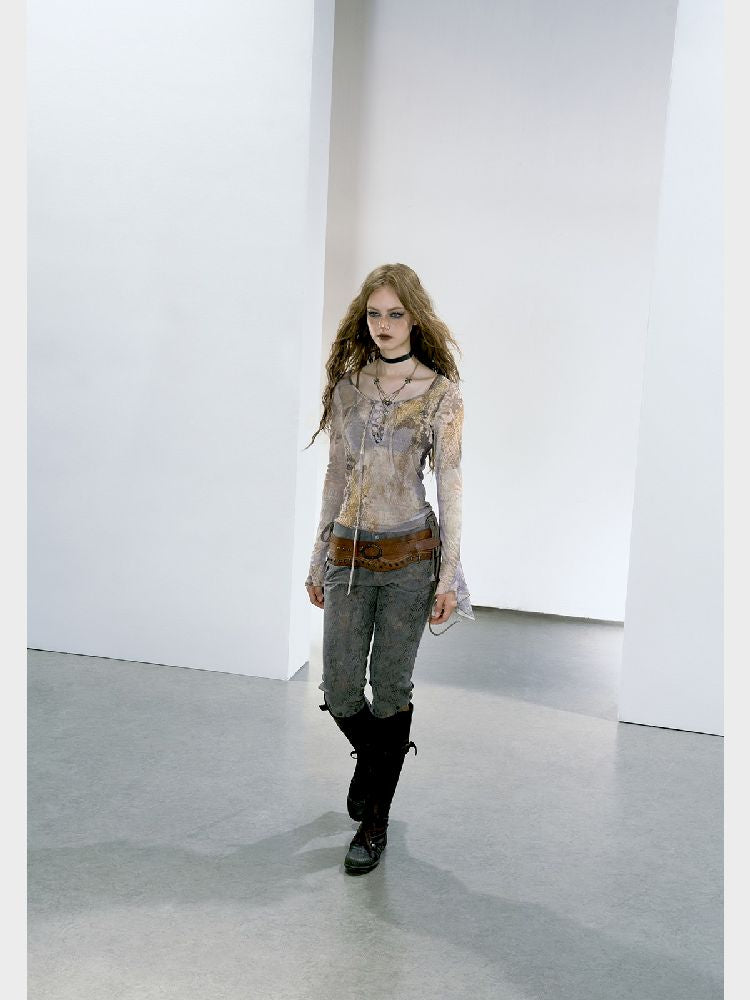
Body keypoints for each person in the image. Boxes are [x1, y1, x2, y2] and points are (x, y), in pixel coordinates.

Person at [303, 262, 474, 875]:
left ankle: (374, 820)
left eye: (395, 314)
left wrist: (449, 573)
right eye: (374, 314)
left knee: (392, 689)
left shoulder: (441, 393)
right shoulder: (349, 387)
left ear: (415, 318)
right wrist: (317, 557)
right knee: (341, 690)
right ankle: (376, 763)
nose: (383, 325)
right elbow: (335, 475)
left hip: (410, 560)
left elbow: (450, 483)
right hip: (348, 555)